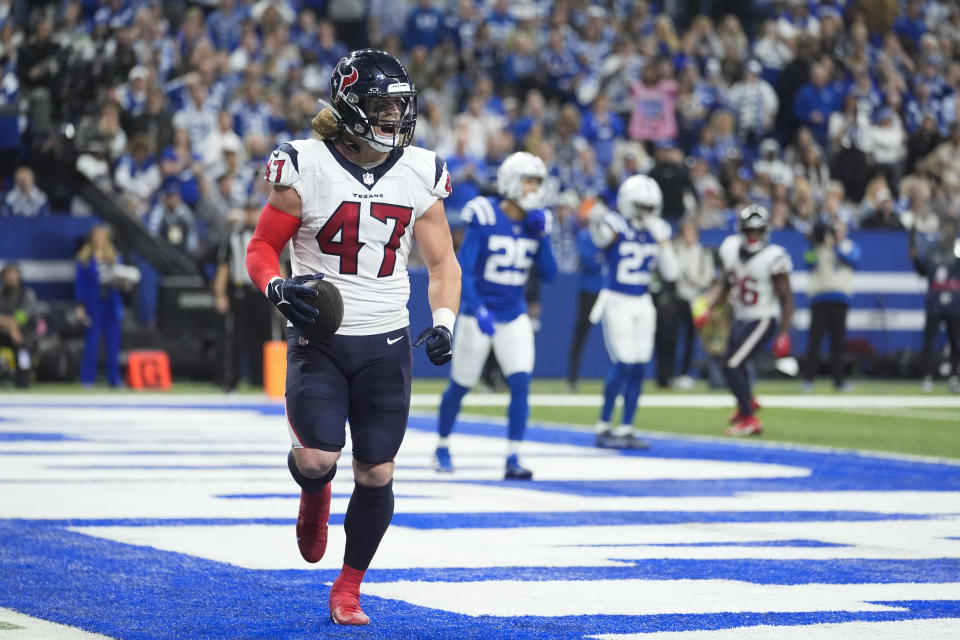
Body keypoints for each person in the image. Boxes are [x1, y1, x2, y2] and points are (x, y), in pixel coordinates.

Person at [244, 50, 460, 626]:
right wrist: (275, 288)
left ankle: (348, 587)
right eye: (383, 106)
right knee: (317, 459)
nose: (394, 118)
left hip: (386, 340)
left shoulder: (419, 171)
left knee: (377, 471)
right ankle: (313, 492)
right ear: (350, 104)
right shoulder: (305, 164)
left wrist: (443, 322)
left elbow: (443, 265)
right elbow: (261, 248)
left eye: (400, 106)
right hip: (321, 335)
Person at [432, 151, 557, 479]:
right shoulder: (484, 214)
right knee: (460, 385)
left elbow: (550, 274)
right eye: (530, 181)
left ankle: (514, 457)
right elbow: (465, 270)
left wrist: (542, 238)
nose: (535, 189)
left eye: (538, 183)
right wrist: (478, 308)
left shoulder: (536, 222)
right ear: (512, 182)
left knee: (521, 383)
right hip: (480, 313)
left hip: (514, 313)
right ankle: (442, 445)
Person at [588, 175, 679, 449]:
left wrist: (663, 242)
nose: (645, 213)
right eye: (640, 206)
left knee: (639, 365)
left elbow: (672, 272)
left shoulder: (658, 229)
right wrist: (594, 220)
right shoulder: (615, 224)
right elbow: (600, 237)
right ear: (628, 203)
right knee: (624, 362)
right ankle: (604, 426)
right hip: (617, 299)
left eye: (649, 207)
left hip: (642, 301)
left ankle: (627, 427)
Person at [694, 205, 794, 436]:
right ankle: (745, 403)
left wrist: (784, 333)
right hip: (740, 316)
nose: (753, 236)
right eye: (749, 230)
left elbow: (786, 299)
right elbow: (726, 284)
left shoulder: (774, 256)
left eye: (757, 231)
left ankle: (749, 417)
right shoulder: (730, 248)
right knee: (728, 363)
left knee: (733, 364)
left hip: (762, 318)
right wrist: (708, 308)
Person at [214, 199, 276, 392]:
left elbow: (277, 263)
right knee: (236, 337)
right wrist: (220, 293)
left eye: (254, 211)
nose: (251, 215)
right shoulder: (233, 236)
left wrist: (279, 296)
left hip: (262, 291)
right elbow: (224, 266)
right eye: (248, 211)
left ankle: (265, 380)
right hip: (240, 290)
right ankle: (231, 379)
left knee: (265, 336)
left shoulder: (269, 234)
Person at [75, 225, 140, 388]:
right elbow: (80, 285)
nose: (100, 240)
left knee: (113, 343)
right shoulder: (84, 259)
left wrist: (126, 283)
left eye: (103, 237)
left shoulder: (114, 258)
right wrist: (80, 306)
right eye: (97, 237)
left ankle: (114, 379)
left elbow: (121, 284)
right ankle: (88, 379)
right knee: (91, 343)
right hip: (93, 304)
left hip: (110, 304)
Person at [802, 219, 860, 391]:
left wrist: (834, 245)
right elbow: (808, 262)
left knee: (838, 342)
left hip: (840, 299)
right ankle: (809, 379)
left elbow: (853, 260)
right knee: (815, 341)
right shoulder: (818, 248)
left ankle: (838, 381)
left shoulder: (849, 246)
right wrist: (813, 243)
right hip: (819, 298)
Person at [910, 216, 960, 393]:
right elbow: (924, 271)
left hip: (954, 301)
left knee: (956, 341)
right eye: (945, 228)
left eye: (951, 228)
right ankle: (926, 376)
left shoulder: (957, 249)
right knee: (929, 340)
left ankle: (955, 375)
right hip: (935, 301)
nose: (948, 232)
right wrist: (915, 259)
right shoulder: (933, 249)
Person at [672, 221, 716, 389]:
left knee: (692, 338)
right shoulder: (677, 250)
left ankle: (686, 373)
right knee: (675, 337)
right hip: (679, 297)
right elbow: (673, 272)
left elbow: (709, 274)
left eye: (692, 233)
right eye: (686, 234)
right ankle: (673, 373)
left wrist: (698, 282)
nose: (689, 237)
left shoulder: (703, 252)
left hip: (697, 299)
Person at [567, 211, 606, 391]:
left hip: (607, 291)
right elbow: (588, 260)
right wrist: (601, 259)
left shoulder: (608, 236)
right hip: (589, 290)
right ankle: (573, 378)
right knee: (580, 334)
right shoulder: (585, 236)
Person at [0, 263, 39, 387]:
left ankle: (24, 374)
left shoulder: (27, 295)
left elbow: (21, 318)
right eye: (7, 275)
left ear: (19, 277)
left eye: (13, 275)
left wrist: (12, 326)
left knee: (23, 346)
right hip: (3, 333)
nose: (9, 278)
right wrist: (11, 328)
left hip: (23, 336)